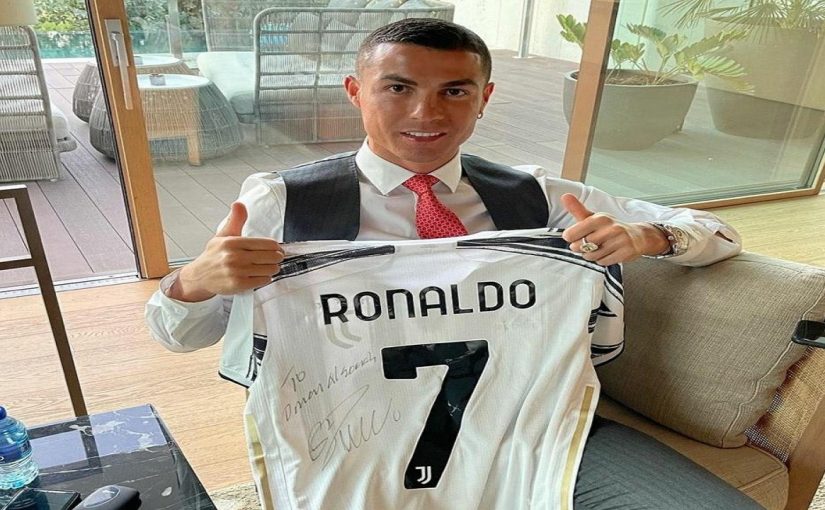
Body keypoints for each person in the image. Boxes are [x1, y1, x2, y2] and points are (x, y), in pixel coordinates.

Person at [146, 18, 759, 509]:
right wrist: (195, 280)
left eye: (455, 91)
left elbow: (717, 232)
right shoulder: (283, 203)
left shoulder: (534, 196)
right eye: (398, 88)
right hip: (351, 440)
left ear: (484, 99)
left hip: (533, 424)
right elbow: (174, 334)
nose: (427, 113)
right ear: (356, 92)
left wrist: (649, 237)